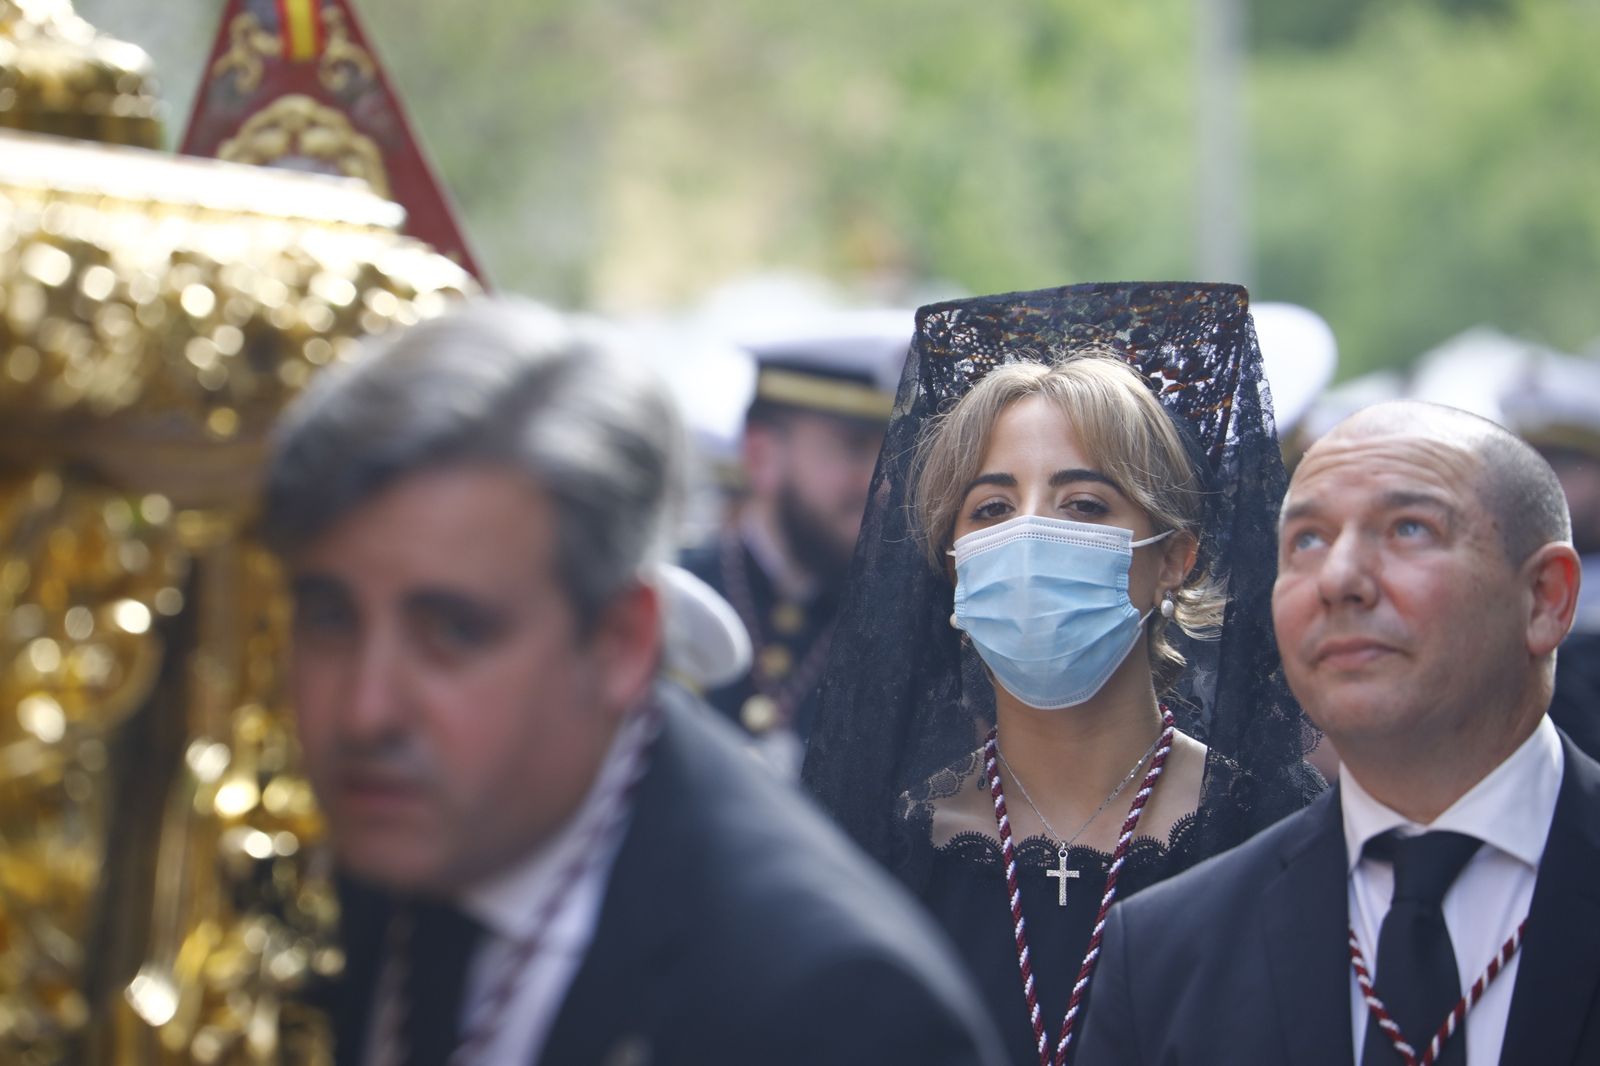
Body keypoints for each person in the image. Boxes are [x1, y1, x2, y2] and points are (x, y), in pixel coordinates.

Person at [260, 299, 1004, 1066]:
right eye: (327, 618)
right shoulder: (326, 862)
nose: (365, 712)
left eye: (453, 632)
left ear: (621, 643)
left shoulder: (835, 1012)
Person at [803, 282, 1320, 1066]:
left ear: (1174, 558)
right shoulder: (887, 850)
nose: (1030, 533)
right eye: (991, 509)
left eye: (1082, 504)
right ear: (955, 565)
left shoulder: (1279, 837)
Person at [1075, 401, 1600, 1066]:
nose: (1339, 579)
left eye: (1409, 529)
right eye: (1307, 541)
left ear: (1546, 597)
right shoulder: (1167, 956)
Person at [679, 313, 906, 771]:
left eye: (893, 454)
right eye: (854, 447)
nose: (882, 482)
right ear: (760, 455)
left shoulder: (897, 628)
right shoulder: (674, 595)